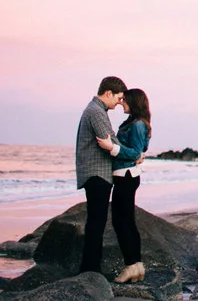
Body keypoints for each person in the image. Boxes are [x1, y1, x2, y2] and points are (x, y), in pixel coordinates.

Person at [96, 89, 151, 284]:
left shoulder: (136, 125)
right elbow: (142, 150)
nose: (121, 103)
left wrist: (112, 147)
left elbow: (137, 152)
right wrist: (136, 155)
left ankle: (130, 266)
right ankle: (136, 265)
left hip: (125, 176)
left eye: (125, 101)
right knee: (127, 222)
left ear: (134, 102)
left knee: (122, 223)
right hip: (127, 175)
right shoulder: (136, 123)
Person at [75, 76, 127, 274]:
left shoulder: (95, 109)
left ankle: (91, 266)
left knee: (96, 221)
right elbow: (110, 140)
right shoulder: (96, 112)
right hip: (97, 174)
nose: (119, 103)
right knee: (96, 222)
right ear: (108, 93)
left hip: (96, 173)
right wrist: (133, 154)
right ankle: (91, 269)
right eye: (119, 98)